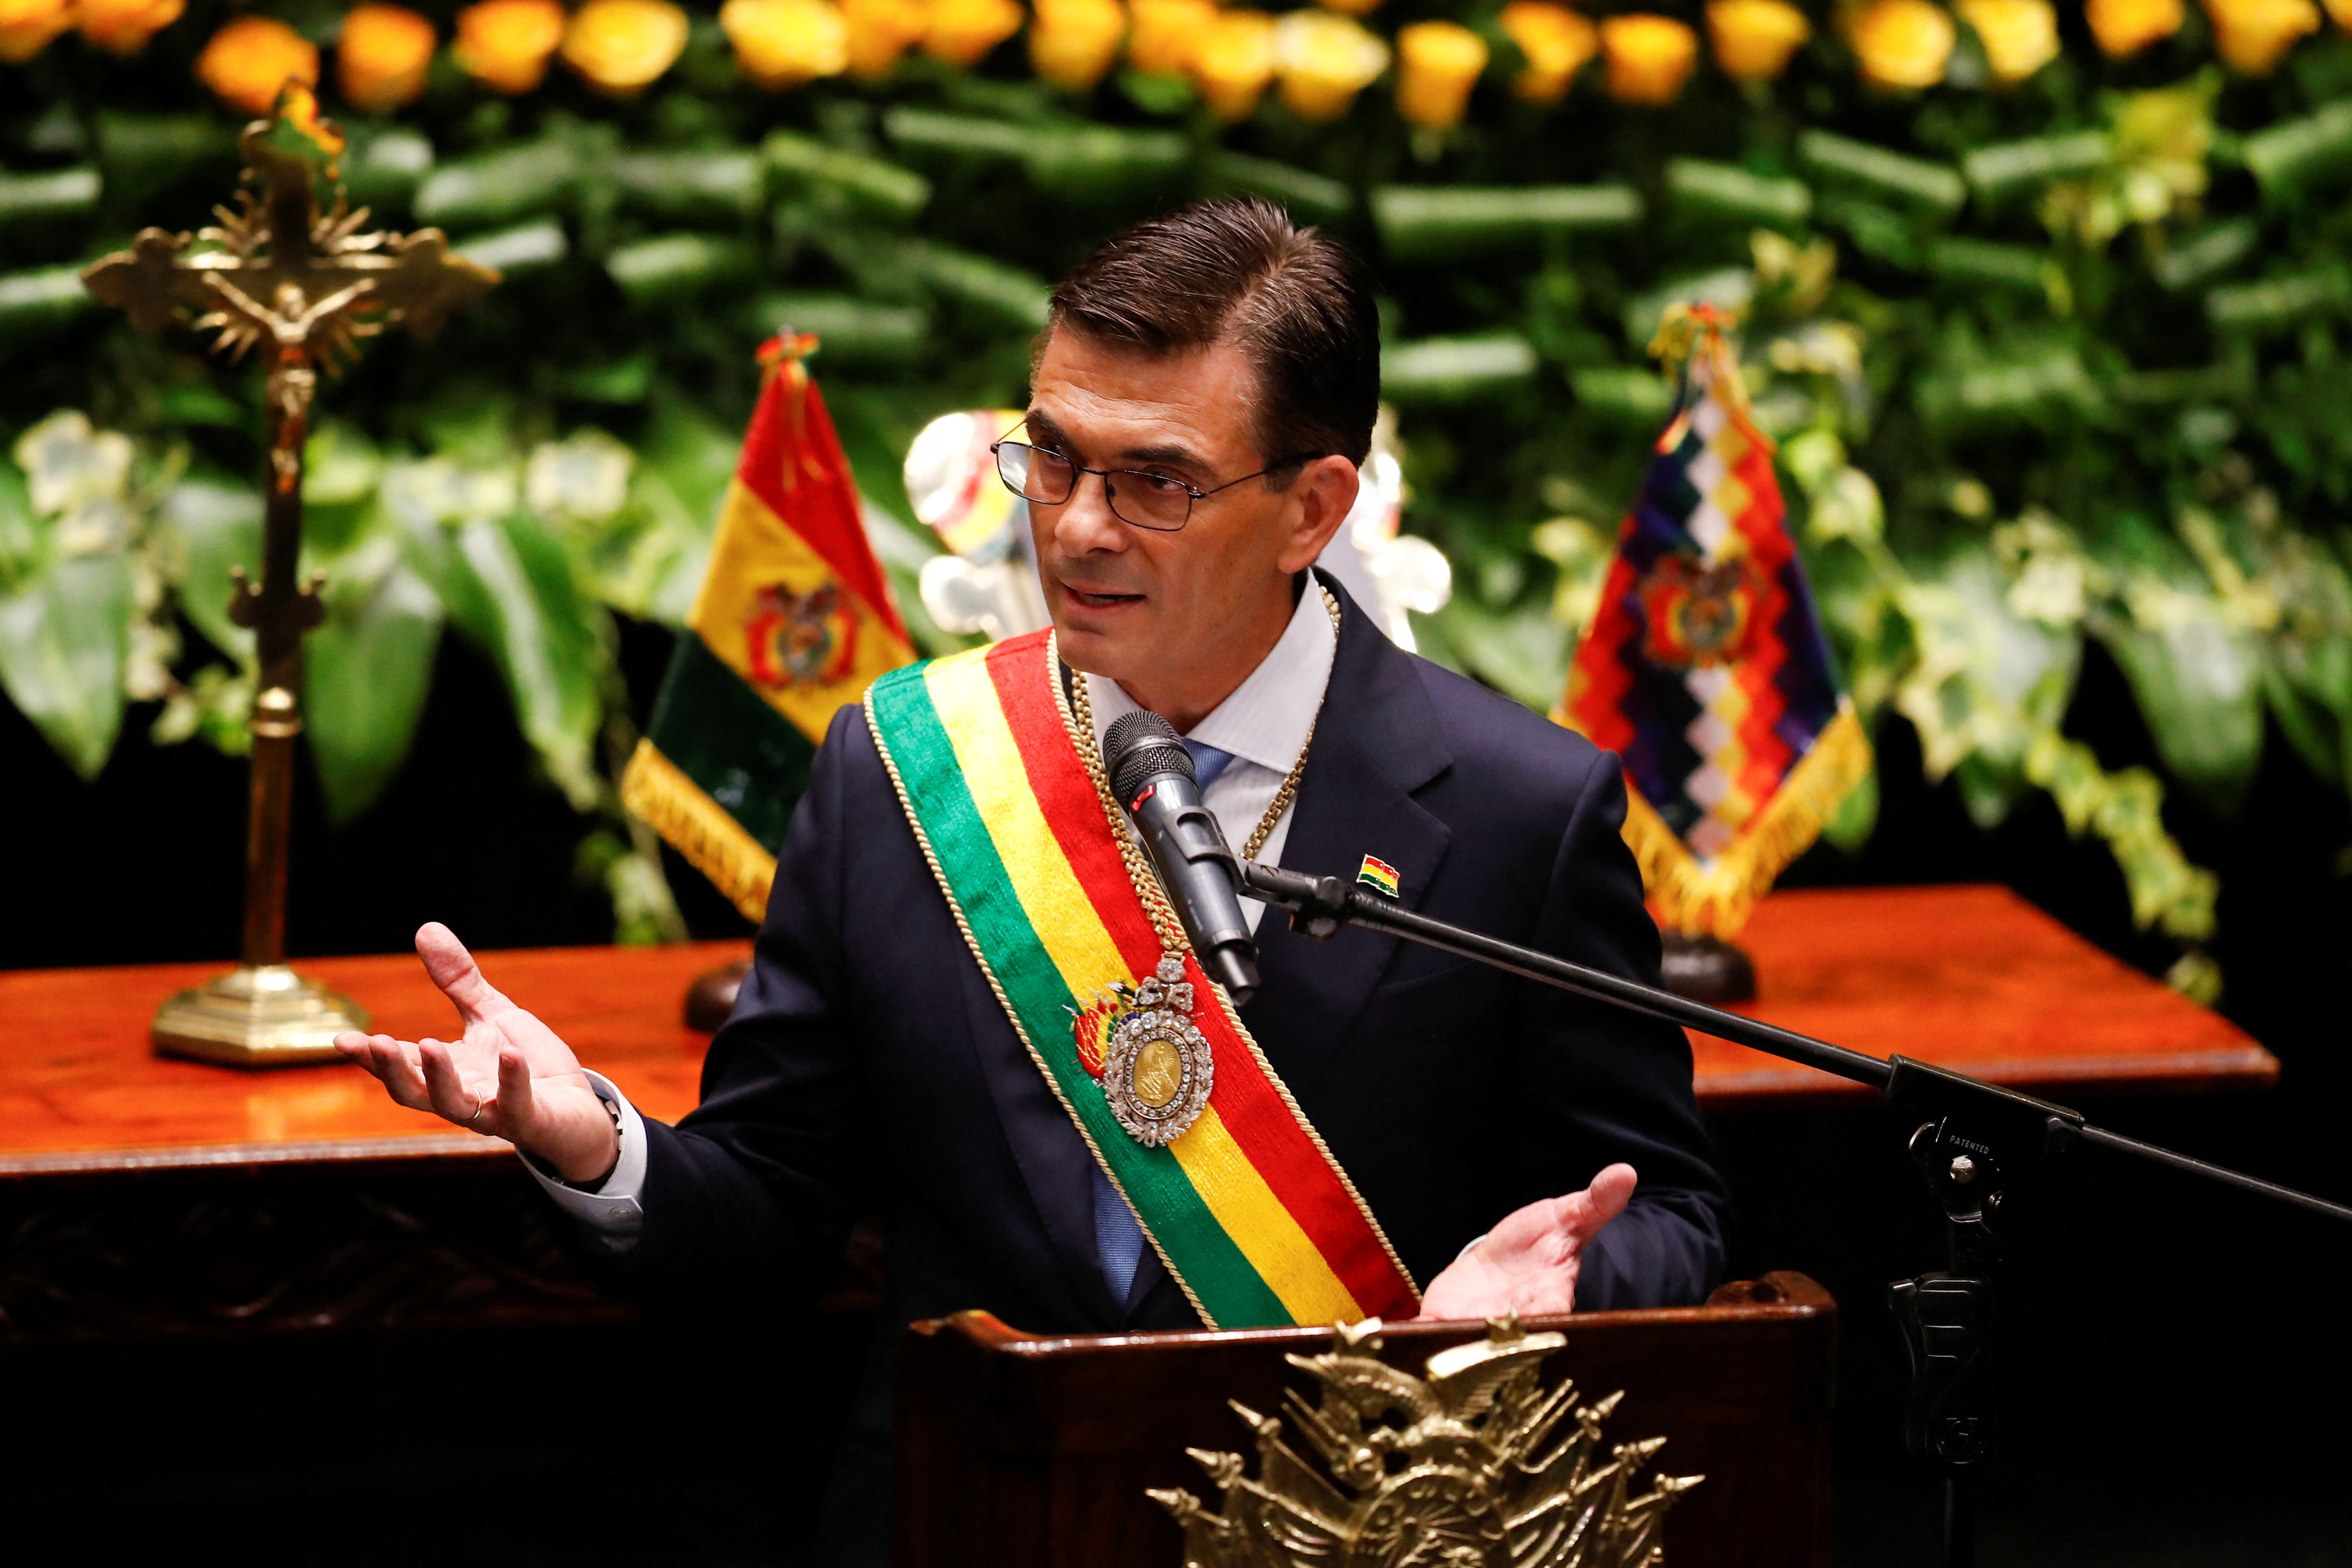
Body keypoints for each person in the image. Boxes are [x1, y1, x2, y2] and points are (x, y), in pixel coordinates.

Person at [336, 196, 1728, 1562]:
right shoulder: (903, 770)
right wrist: (589, 1139)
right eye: (1051, 458)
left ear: (1313, 509)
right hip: (966, 1514)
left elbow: (1668, 1213)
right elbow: (768, 1210)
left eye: (1155, 482)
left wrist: (1528, 1299)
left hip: (1338, 1526)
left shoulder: (1511, 811)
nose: (1073, 527)